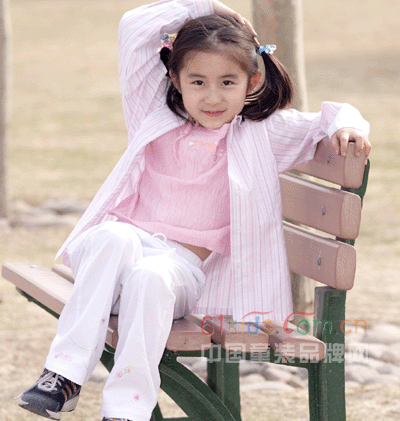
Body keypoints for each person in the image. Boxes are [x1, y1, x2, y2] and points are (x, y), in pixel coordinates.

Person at [16, 0, 371, 420]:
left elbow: (331, 116)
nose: (212, 97)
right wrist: (208, 6)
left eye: (227, 82)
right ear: (175, 78)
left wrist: (349, 126)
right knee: (112, 235)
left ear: (252, 80)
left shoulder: (263, 133)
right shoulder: (153, 113)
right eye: (198, 82)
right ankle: (64, 375)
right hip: (113, 263)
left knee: (151, 275)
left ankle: (126, 409)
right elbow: (134, 26)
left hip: (175, 273)